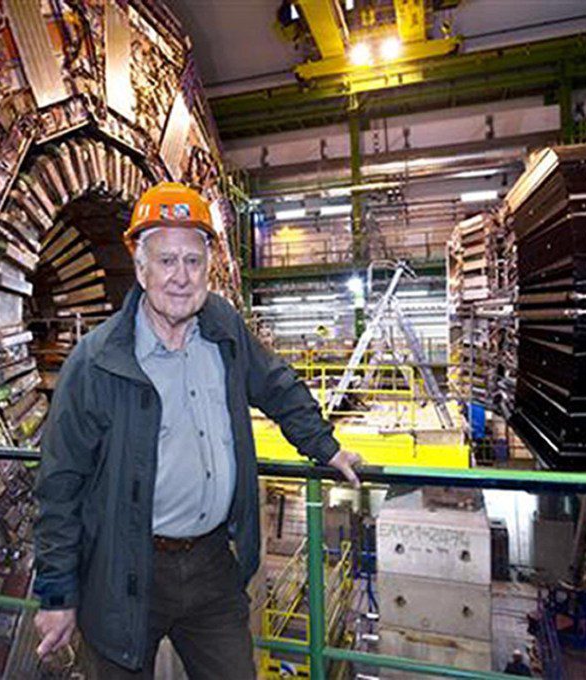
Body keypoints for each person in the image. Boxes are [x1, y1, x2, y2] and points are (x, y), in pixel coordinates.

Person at [32, 182, 362, 678]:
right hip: (124, 569)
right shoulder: (97, 361)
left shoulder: (223, 328)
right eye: (166, 261)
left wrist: (326, 447)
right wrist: (57, 594)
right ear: (140, 268)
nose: (181, 278)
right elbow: (60, 485)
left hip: (213, 565)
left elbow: (276, 384)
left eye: (193, 260)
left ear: (208, 266)